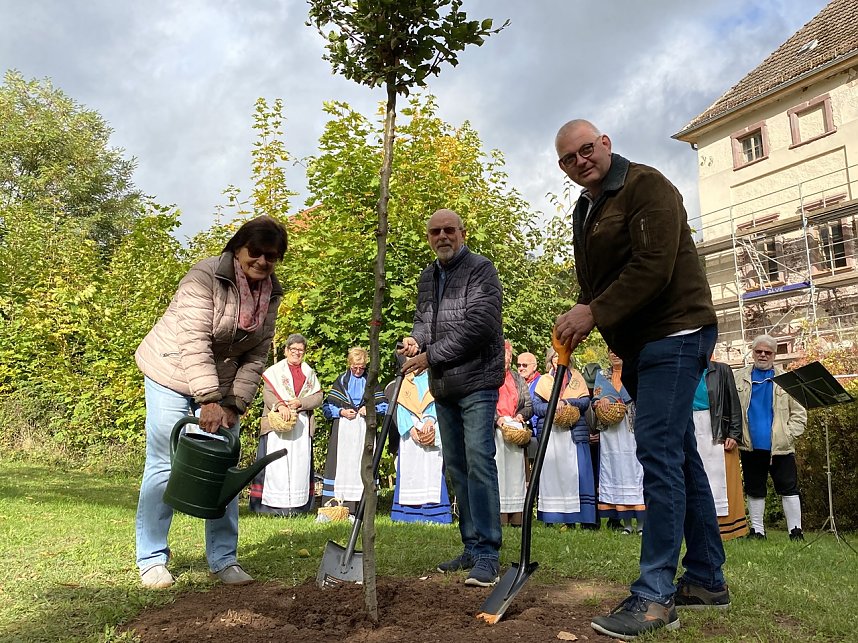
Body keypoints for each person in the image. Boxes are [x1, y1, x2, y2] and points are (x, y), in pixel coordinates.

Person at [553, 119, 727, 639]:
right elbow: (596, 284)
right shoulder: (585, 209)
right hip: (642, 345)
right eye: (568, 158)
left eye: (587, 149)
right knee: (678, 454)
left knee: (657, 452)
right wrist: (588, 315)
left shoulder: (645, 185)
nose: (581, 161)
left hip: (677, 331)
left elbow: (654, 266)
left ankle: (655, 597)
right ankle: (706, 581)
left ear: (605, 144)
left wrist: (594, 313)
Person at [134, 215, 287, 589]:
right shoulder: (204, 279)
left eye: (272, 256)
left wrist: (234, 404)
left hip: (219, 387)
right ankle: (152, 559)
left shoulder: (271, 293)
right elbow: (194, 342)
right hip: (169, 371)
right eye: (256, 252)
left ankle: (223, 559)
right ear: (238, 247)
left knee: (224, 465)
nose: (263, 262)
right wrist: (209, 400)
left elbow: (257, 354)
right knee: (164, 463)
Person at [399, 208, 505, 588]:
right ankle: (472, 546)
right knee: (457, 467)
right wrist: (415, 342)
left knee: (479, 462)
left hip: (477, 381)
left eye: (448, 230)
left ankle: (490, 553)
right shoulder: (428, 276)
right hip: (443, 386)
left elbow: (481, 324)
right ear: (428, 237)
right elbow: (424, 322)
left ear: (462, 232)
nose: (442, 236)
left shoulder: (481, 269)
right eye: (434, 231)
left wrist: (430, 355)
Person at [735, 335, 807, 541]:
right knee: (754, 489)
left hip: (780, 447)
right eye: (759, 351)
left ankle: (795, 531)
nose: (763, 355)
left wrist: (788, 435)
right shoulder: (738, 378)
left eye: (768, 352)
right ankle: (757, 531)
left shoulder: (787, 381)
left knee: (789, 488)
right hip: (750, 445)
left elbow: (800, 414)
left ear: (775, 354)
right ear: (753, 352)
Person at [249, 334, 323, 516]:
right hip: (278, 424)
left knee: (299, 463)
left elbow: (318, 397)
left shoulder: (309, 373)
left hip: (301, 424)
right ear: (286, 350)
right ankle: (270, 507)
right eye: (293, 349)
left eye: (300, 350)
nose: (297, 353)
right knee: (277, 463)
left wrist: (300, 403)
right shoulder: (275, 371)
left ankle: (297, 506)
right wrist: (280, 405)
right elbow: (268, 394)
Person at [321, 346, 388, 515]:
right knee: (343, 465)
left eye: (361, 367)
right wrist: (341, 412)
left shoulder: (371, 381)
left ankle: (364, 506)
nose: (358, 370)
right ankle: (340, 505)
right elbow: (327, 407)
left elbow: (385, 405)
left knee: (363, 463)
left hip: (364, 430)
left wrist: (370, 408)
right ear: (349, 364)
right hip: (343, 431)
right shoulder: (341, 381)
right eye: (355, 367)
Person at [534, 359, 596, 528]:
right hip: (551, 433)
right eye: (554, 356)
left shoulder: (577, 378)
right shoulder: (545, 380)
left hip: (573, 432)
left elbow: (585, 402)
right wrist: (553, 407)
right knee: (552, 476)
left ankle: (579, 518)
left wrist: (567, 403)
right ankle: (552, 517)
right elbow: (536, 407)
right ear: (550, 360)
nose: (558, 359)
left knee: (575, 474)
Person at [390, 370, 453, 524]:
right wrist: (410, 429)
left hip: (431, 428)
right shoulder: (404, 382)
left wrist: (431, 420)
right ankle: (407, 513)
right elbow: (401, 408)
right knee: (411, 471)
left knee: (432, 471)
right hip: (410, 434)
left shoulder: (435, 378)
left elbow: (439, 403)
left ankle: (435, 513)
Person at [593, 351, 645, 535]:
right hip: (611, 431)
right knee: (616, 472)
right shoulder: (602, 375)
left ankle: (641, 524)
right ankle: (627, 524)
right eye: (610, 352)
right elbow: (596, 398)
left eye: (618, 351)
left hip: (631, 427)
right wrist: (601, 401)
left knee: (635, 470)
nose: (615, 355)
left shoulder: (634, 372)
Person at [703, 359, 749, 540]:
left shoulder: (722, 370)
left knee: (722, 479)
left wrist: (734, 433)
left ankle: (728, 528)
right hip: (692, 428)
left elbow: (733, 402)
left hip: (717, 428)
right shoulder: (684, 368)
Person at [493, 340, 533, 527]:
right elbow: (485, 402)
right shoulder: (489, 377)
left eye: (509, 358)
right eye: (503, 357)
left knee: (516, 475)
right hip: (497, 432)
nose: (506, 361)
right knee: (499, 472)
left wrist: (519, 415)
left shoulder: (518, 379)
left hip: (515, 431)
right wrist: (497, 419)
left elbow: (529, 405)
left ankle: (517, 516)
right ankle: (499, 516)